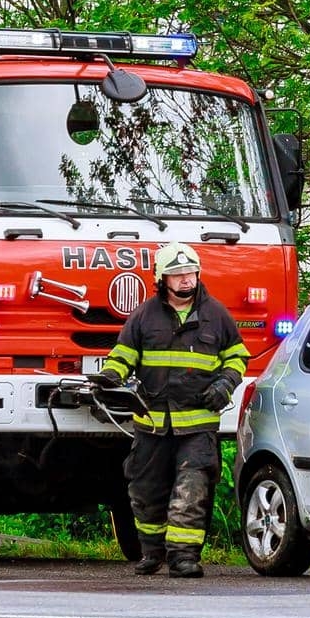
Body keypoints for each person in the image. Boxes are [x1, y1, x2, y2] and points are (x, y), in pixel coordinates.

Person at [97, 242, 250, 578]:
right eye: (177, 274)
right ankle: (152, 553)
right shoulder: (144, 316)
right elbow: (123, 355)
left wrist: (225, 385)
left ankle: (183, 557)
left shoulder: (217, 315)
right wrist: (111, 376)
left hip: (197, 424)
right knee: (146, 489)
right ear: (162, 279)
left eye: (190, 273)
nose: (185, 280)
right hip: (152, 422)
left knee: (191, 490)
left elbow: (238, 357)